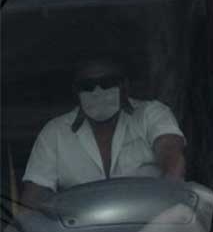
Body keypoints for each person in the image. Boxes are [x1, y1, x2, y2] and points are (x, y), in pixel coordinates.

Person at [21, 58, 186, 208]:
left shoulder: (151, 114)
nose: (98, 91)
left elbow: (171, 155)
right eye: (88, 86)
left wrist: (167, 202)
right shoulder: (54, 133)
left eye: (107, 83)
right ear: (76, 92)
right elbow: (33, 198)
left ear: (125, 86)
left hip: (151, 226)